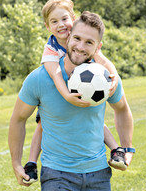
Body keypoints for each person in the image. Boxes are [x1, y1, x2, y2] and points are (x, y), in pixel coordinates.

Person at [8, 11, 134, 190]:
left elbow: (122, 109)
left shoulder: (107, 80)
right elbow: (18, 119)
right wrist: (16, 163)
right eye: (77, 38)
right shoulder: (39, 79)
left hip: (99, 174)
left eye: (89, 42)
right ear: (68, 38)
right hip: (56, 175)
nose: (81, 47)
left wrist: (127, 149)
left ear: (98, 47)